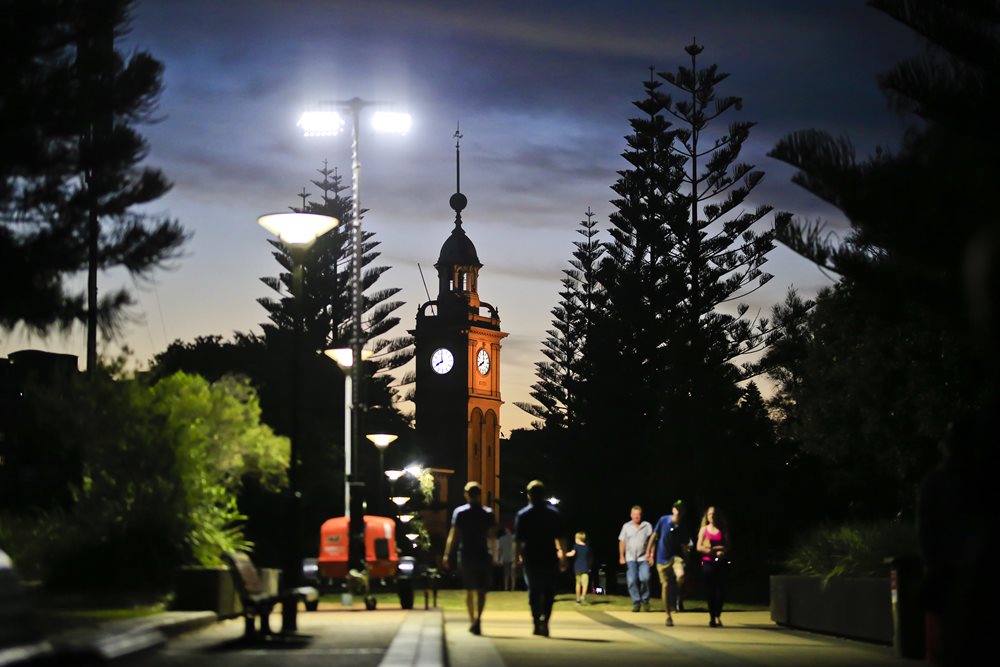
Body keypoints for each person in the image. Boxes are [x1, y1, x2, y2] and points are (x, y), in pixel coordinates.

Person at [443, 481, 497, 635]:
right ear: (480, 495)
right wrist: (494, 554)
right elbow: (492, 536)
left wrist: (447, 554)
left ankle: (472, 620)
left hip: (466, 553)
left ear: (466, 495)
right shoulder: (488, 513)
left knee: (469, 590)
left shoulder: (460, 513)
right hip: (482, 554)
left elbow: (453, 535)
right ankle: (478, 618)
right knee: (481, 590)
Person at [514, 480, 566, 637]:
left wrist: (517, 557)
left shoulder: (523, 515)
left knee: (534, 591)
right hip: (549, 556)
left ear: (529, 495)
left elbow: (518, 540)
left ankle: (537, 621)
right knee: (549, 591)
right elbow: (561, 537)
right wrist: (563, 555)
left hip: (531, 557)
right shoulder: (553, 514)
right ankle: (545, 621)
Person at [647, 499, 691, 626]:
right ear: (673, 510)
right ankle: (668, 615)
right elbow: (654, 535)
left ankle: (675, 593)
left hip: (675, 557)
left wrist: (687, 556)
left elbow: (684, 544)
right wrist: (649, 552)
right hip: (662, 558)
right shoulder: (663, 520)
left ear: (683, 512)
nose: (678, 511)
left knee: (681, 576)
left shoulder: (683, 526)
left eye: (681, 509)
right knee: (665, 585)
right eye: (676, 508)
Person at [697, 506, 730, 627]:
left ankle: (718, 615)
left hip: (721, 563)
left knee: (721, 590)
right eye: (710, 514)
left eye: (714, 514)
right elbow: (698, 547)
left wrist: (722, 551)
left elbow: (727, 546)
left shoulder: (722, 530)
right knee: (710, 590)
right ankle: (712, 617)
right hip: (707, 562)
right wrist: (711, 550)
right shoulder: (704, 530)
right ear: (707, 516)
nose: (712, 516)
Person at [618, 505, 653, 612]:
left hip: (644, 558)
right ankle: (636, 602)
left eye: (638, 514)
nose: (636, 516)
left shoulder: (646, 526)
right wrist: (621, 556)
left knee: (645, 578)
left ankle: (645, 600)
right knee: (632, 580)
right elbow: (622, 542)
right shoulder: (626, 526)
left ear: (641, 515)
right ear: (631, 515)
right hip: (630, 558)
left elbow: (652, 541)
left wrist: (651, 555)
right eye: (634, 514)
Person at [565, 531, 591, 604]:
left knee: (578, 583)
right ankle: (583, 597)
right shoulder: (587, 547)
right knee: (585, 584)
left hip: (577, 567)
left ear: (578, 539)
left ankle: (578, 599)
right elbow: (589, 558)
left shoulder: (575, 546)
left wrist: (564, 554)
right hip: (585, 567)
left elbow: (572, 553)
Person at [497, 524, 516, 591]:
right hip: (510, 558)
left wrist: (499, 559)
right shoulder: (514, 537)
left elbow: (500, 549)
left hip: (509, 558)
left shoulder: (502, 538)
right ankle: (510, 588)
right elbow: (500, 550)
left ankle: (508, 588)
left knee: (508, 574)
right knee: (509, 574)